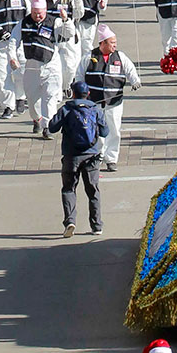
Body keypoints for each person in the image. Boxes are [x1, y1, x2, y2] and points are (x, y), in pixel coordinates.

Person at [48, 79, 106, 237]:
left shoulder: (67, 109)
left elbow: (52, 127)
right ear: (88, 94)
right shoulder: (95, 109)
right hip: (91, 156)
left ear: (73, 94)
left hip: (71, 156)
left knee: (68, 189)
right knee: (93, 191)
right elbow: (105, 132)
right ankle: (96, 225)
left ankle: (70, 221)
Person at [79, 23, 141, 170]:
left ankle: (111, 158)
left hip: (114, 102)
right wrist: (79, 93)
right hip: (94, 102)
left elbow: (130, 70)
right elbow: (79, 75)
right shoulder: (89, 57)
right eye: (112, 42)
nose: (115, 45)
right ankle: (97, 156)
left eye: (115, 42)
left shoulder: (120, 57)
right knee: (96, 131)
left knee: (114, 130)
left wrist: (135, 81)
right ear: (102, 43)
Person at [20, 0, 69, 135]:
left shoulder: (54, 22)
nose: (37, 16)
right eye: (35, 13)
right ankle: (37, 119)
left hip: (50, 66)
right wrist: (13, 57)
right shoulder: (24, 23)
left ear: (45, 10)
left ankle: (47, 126)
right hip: (31, 67)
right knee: (32, 98)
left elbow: (69, 33)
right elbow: (13, 41)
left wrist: (66, 20)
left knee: (50, 97)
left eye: (40, 13)